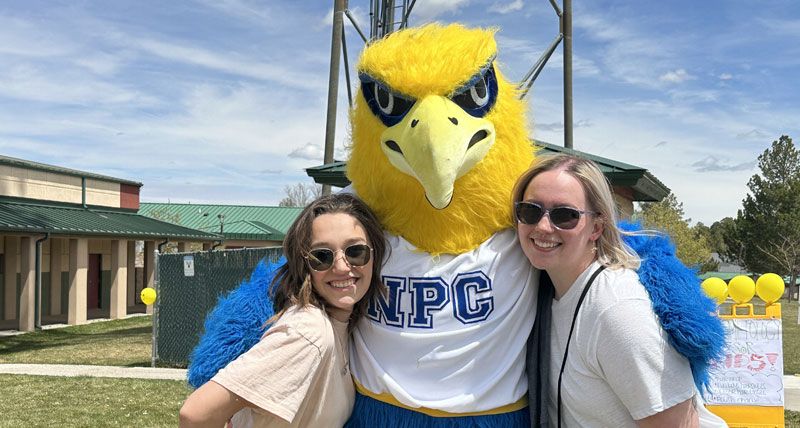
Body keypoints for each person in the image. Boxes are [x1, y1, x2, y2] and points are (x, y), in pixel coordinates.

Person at [512, 154, 727, 427]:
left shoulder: (617, 309)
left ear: (597, 227)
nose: (542, 226)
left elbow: (679, 424)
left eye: (565, 216)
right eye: (530, 211)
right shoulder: (543, 292)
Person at [179, 193, 387, 428]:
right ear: (304, 265)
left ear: (373, 253)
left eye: (355, 251)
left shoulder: (341, 327)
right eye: (321, 256)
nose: (341, 266)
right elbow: (196, 414)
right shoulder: (309, 332)